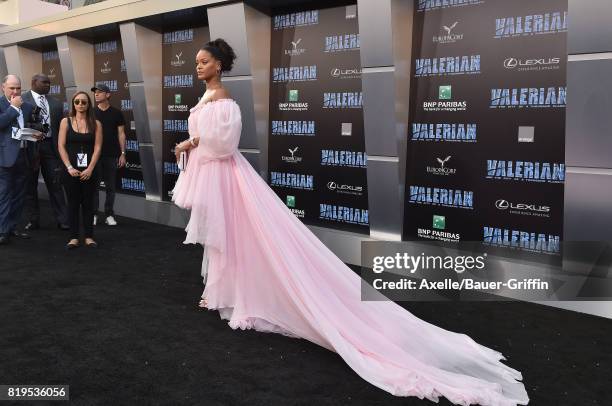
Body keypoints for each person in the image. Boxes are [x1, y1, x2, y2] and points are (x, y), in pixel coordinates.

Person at [172, 39, 529, 406]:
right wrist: (192, 143)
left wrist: (191, 142)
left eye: (204, 62)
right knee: (223, 234)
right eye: (196, 62)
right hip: (214, 176)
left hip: (226, 176)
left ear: (219, 65)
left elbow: (223, 143)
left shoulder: (223, 101)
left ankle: (238, 293)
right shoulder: (207, 98)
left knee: (236, 234)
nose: (198, 67)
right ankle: (220, 290)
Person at [22, 73, 69, 231]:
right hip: (31, 146)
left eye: (49, 83)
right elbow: (19, 124)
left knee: (55, 184)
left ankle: (63, 220)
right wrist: (34, 130)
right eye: (45, 82)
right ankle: (33, 220)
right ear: (34, 82)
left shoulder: (56, 103)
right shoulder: (22, 99)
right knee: (30, 185)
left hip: (50, 147)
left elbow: (60, 128)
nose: (48, 85)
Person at [0, 75, 41, 245]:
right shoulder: (5, 105)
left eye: (18, 88)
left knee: (19, 196)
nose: (16, 92)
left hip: (24, 156)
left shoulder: (28, 106)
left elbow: (36, 124)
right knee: (4, 195)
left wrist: (38, 133)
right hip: (4, 159)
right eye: (12, 88)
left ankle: (12, 227)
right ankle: (2, 230)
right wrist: (14, 109)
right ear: (3, 87)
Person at [57, 91, 102, 249]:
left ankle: (89, 236)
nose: (80, 105)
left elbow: (97, 147)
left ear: (88, 104)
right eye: (77, 102)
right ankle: (73, 237)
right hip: (70, 171)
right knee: (73, 203)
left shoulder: (96, 124)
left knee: (89, 204)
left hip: (90, 170)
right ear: (73, 104)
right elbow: (61, 146)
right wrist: (69, 167)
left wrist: (90, 168)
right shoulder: (65, 122)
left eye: (84, 102)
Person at [91, 83, 126, 226]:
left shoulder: (117, 113)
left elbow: (121, 134)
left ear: (108, 95)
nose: (96, 94)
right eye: (95, 92)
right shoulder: (91, 113)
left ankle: (109, 214)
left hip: (112, 155)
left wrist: (123, 153)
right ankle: (93, 214)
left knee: (111, 187)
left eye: (100, 92)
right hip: (95, 155)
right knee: (93, 187)